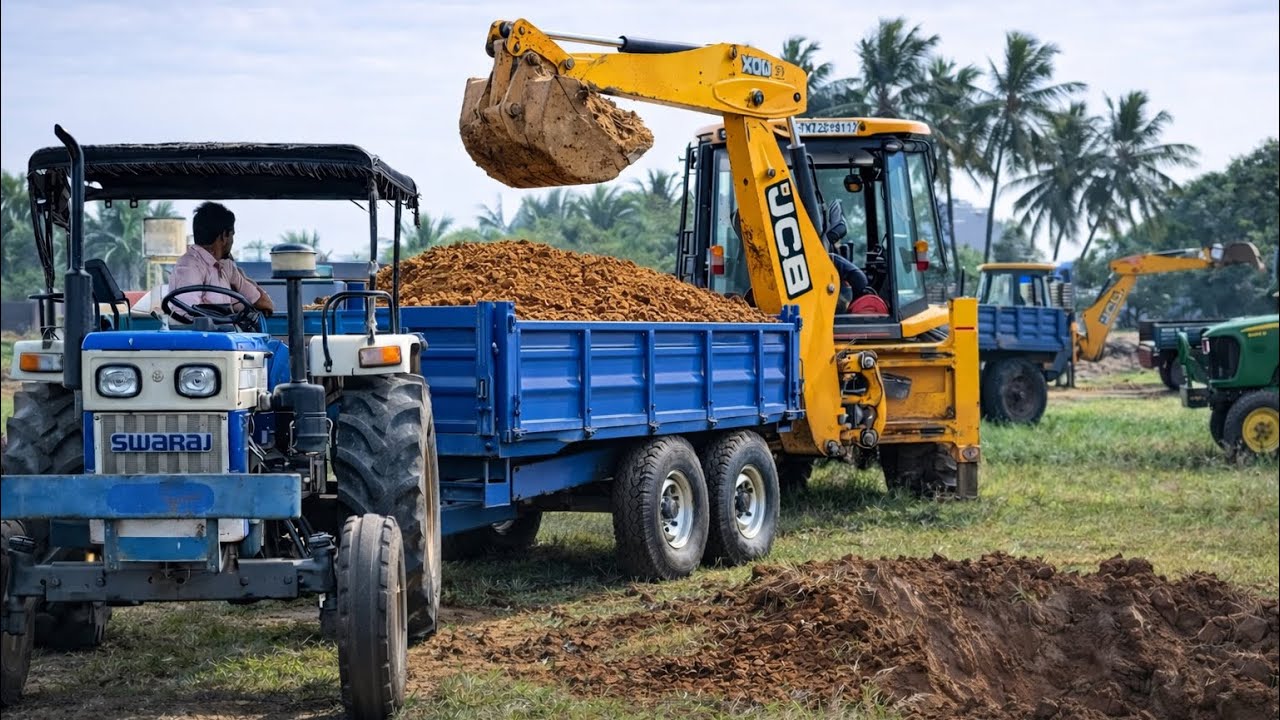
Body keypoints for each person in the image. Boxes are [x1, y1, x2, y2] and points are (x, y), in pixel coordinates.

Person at [167, 201, 274, 318]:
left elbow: (264, 303)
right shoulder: (189, 267)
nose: (233, 241)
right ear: (224, 236)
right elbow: (187, 317)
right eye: (232, 235)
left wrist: (242, 277)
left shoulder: (226, 266)